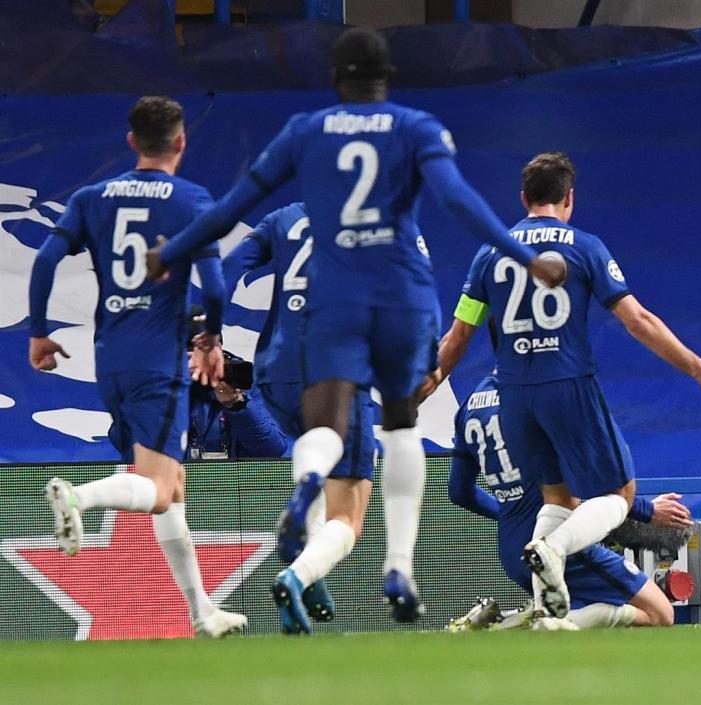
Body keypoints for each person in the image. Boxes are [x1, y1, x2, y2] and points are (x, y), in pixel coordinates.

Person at [147, 27, 564, 630]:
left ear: (336, 79)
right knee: (385, 450)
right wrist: (522, 256)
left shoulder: (300, 151)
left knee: (321, 444)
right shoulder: (415, 133)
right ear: (386, 76)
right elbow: (456, 201)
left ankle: (306, 509)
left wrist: (179, 263)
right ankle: (387, 565)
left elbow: (230, 214)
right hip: (381, 318)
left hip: (303, 341)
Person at [427, 151, 701, 618]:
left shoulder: (490, 253)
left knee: (557, 497)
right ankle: (554, 550)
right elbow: (637, 321)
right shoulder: (583, 246)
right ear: (570, 198)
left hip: (514, 396)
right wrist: (700, 369)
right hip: (567, 383)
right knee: (618, 498)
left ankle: (544, 607)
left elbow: (459, 335)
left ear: (524, 198)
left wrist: (433, 378)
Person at [27, 96, 246, 637]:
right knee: (161, 487)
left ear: (131, 142)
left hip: (111, 361)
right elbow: (215, 287)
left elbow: (46, 259)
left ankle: (202, 612)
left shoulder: (92, 197)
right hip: (159, 361)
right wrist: (211, 339)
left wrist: (38, 332)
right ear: (181, 142)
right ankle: (81, 497)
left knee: (174, 485)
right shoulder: (193, 199)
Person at [219, 201, 381, 631]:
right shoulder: (377, 219)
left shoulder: (283, 218)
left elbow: (227, 270)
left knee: (318, 459)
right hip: (337, 371)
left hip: (277, 374)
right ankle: (297, 574)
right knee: (349, 515)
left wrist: (209, 336)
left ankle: (309, 570)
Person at [446, 372, 686, 629]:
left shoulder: (469, 406)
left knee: (579, 618)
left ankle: (518, 619)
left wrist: (512, 512)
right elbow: (586, 475)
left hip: (512, 549)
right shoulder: (535, 394)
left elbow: (459, 492)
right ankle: (510, 625)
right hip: (557, 541)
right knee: (659, 614)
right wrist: (648, 510)